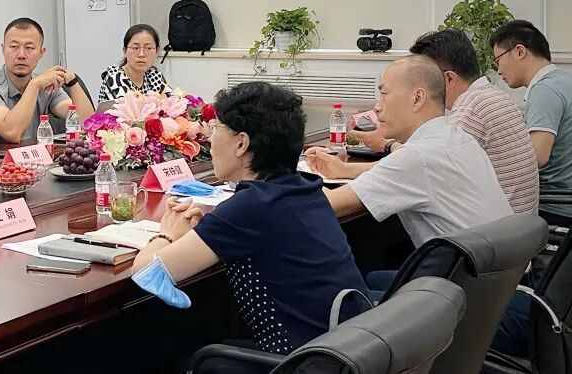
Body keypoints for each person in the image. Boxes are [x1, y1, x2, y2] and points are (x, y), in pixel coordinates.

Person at [132, 82, 367, 358]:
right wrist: (208, 229)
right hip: (350, 349)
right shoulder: (305, 188)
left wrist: (167, 233)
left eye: (216, 128)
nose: (210, 139)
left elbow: (146, 271)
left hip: (302, 360)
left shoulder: (249, 208)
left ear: (242, 143)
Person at [311, 56, 512, 250]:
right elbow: (403, 169)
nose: (377, 107)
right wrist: (344, 169)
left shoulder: (417, 157)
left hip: (464, 272)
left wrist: (300, 183)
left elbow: (326, 205)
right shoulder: (459, 138)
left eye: (384, 94)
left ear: (417, 98)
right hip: (504, 266)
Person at [351, 29, 538, 214]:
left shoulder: (469, 110)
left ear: (448, 78)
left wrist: (349, 167)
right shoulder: (491, 94)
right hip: (519, 224)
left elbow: (417, 167)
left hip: (494, 226)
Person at [492, 19, 572, 225]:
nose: (498, 70)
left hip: (555, 207)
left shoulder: (544, 90)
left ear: (520, 51)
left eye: (498, 60)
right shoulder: (565, 80)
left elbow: (536, 157)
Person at [0, 18, 95, 143]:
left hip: (31, 158)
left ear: (41, 52)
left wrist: (72, 81)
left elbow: (88, 124)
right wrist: (34, 85)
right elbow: (12, 132)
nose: (21, 55)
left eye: (29, 48)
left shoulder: (44, 85)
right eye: (14, 46)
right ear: (3, 49)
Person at [98, 24, 171, 103]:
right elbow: (130, 109)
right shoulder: (115, 77)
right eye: (135, 48)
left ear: (157, 51)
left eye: (148, 48)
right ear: (125, 51)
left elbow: (172, 102)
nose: (141, 54)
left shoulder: (154, 74)